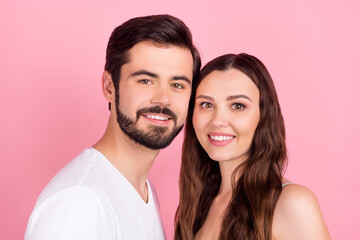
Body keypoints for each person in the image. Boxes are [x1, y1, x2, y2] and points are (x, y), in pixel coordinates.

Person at [25, 14, 200, 240]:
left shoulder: (144, 191)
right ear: (109, 87)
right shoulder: (79, 202)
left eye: (177, 85)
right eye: (145, 80)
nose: (163, 99)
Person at [175, 53, 330, 240]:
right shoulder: (200, 201)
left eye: (238, 106)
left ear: (263, 115)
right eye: (206, 104)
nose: (218, 121)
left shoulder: (293, 203)